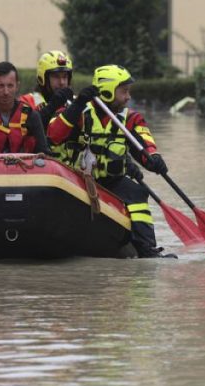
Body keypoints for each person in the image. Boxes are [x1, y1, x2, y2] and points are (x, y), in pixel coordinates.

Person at [48, 64, 174, 258]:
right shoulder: (79, 113)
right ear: (107, 92)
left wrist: (154, 159)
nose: (128, 97)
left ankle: (147, 250)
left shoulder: (131, 119)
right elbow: (53, 135)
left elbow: (145, 145)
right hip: (78, 180)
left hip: (111, 180)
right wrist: (77, 105)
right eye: (124, 91)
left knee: (137, 193)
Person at [21, 50, 75, 127]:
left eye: (65, 76)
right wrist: (52, 106)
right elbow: (25, 128)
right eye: (56, 77)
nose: (62, 82)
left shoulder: (74, 102)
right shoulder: (27, 101)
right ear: (43, 78)